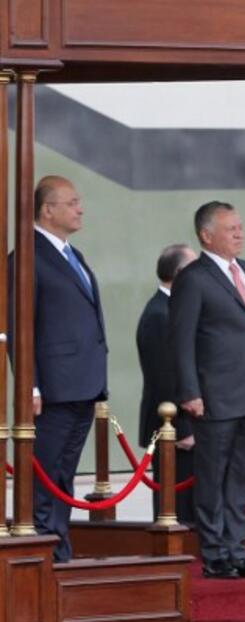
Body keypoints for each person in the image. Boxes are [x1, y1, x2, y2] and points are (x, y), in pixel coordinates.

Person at [170, 201, 245, 579]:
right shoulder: (194, 278)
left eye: (240, 227)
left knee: (241, 479)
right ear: (206, 235)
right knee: (212, 479)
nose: (239, 234)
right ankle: (214, 554)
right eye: (230, 229)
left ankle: (237, 550)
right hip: (212, 398)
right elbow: (181, 341)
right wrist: (189, 392)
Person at [14, 176, 107, 562]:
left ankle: (58, 547)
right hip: (52, 389)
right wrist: (30, 386)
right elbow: (20, 326)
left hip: (83, 384)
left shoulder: (74, 254)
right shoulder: (27, 257)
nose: (79, 208)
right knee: (46, 473)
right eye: (71, 202)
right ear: (47, 209)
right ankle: (43, 553)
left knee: (64, 473)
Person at [137, 243, 199, 525]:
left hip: (188, 421)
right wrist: (182, 429)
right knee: (176, 505)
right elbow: (164, 377)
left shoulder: (175, 308)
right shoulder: (159, 314)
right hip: (174, 426)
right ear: (181, 273)